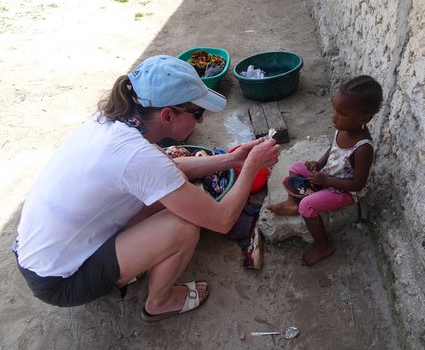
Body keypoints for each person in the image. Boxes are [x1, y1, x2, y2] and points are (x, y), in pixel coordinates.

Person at [12, 55, 280, 322]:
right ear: (166, 115)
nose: (200, 122)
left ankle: (126, 262)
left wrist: (232, 159)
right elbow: (222, 220)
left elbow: (168, 168)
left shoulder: (115, 124)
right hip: (60, 281)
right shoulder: (135, 156)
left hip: (37, 253)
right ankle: (160, 302)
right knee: (183, 226)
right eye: (197, 113)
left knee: (172, 195)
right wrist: (251, 167)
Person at [267, 75, 382, 266]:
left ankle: (323, 246)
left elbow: (357, 184)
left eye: (342, 113)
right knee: (296, 167)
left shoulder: (363, 148)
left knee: (308, 207)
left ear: (364, 118)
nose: (334, 116)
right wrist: (319, 165)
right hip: (327, 176)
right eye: (334, 109)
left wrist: (325, 180)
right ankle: (292, 202)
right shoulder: (343, 127)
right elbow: (333, 149)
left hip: (343, 191)